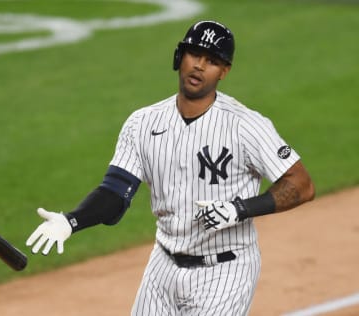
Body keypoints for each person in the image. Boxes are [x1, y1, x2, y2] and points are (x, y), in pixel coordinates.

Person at [26, 20, 315, 315]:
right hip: (162, 267)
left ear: (224, 71)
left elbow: (301, 185)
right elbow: (114, 194)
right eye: (195, 54)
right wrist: (72, 221)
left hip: (225, 272)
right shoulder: (142, 123)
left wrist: (239, 209)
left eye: (212, 61)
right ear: (180, 57)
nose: (200, 66)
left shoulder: (246, 126)